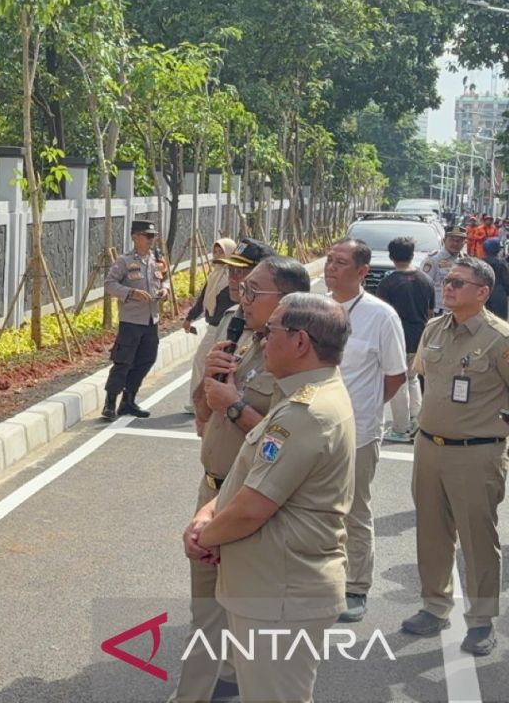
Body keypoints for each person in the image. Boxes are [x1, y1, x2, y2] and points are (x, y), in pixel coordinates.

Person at [185, 293, 355, 703]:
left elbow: (251, 509)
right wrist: (208, 512)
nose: (260, 342)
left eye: (269, 332)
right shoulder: (299, 396)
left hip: (281, 594)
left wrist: (202, 539)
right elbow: (246, 474)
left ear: (300, 342)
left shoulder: (307, 412)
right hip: (270, 587)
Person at [174, 252, 304, 703]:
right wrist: (210, 390)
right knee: (206, 609)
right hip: (213, 489)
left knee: (248, 616)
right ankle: (217, 682)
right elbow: (203, 413)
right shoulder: (241, 337)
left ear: (286, 300)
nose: (240, 295)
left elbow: (286, 442)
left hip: (253, 501)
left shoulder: (296, 359)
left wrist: (232, 404)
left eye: (252, 290)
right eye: (241, 287)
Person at [402, 256, 509, 656]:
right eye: (447, 281)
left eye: (459, 283)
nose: (448, 287)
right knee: (431, 533)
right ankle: (434, 606)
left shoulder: (500, 339)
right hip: (430, 447)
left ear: (482, 293)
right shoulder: (434, 328)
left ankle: (481, 622)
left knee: (478, 540)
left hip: (476, 453)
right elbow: (425, 377)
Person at [322, 239, 406, 623]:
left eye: (341, 262)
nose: (331, 268)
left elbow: (395, 375)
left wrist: (365, 410)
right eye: (329, 261)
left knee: (354, 511)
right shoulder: (315, 308)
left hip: (358, 433)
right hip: (313, 431)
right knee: (312, 509)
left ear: (362, 272)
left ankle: (356, 586)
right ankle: (319, 582)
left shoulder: (381, 316)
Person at [102, 220, 169, 421]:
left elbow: (164, 279)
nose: (151, 240)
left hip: (151, 320)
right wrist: (131, 293)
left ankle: (128, 401)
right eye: (147, 236)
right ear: (134, 236)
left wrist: (165, 290)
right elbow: (109, 284)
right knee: (123, 362)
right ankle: (110, 403)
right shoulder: (124, 261)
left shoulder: (156, 259)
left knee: (146, 360)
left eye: (153, 236)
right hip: (131, 321)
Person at [376, 237, 434, 443]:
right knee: (412, 378)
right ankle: (415, 420)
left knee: (397, 380)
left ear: (391, 256)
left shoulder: (388, 282)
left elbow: (382, 314)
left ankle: (400, 428)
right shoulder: (426, 280)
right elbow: (430, 311)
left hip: (396, 337)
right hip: (420, 335)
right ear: (412, 254)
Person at [182, 237, 237, 413]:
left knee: (206, 361)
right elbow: (203, 299)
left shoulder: (232, 276)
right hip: (213, 326)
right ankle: (200, 402)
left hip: (225, 326)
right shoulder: (215, 274)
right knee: (207, 362)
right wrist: (189, 317)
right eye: (216, 251)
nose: (218, 255)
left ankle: (200, 403)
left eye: (221, 251)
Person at [420, 226, 467, 314]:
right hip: (438, 311)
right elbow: (423, 287)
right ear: (444, 240)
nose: (455, 243)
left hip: (459, 311)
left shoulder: (466, 260)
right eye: (452, 240)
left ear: (464, 243)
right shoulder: (433, 260)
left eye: (459, 241)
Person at [480, 237, 509, 319]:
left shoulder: (480, 262)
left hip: (483, 293)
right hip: (499, 294)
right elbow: (506, 281)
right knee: (500, 321)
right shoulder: (501, 263)